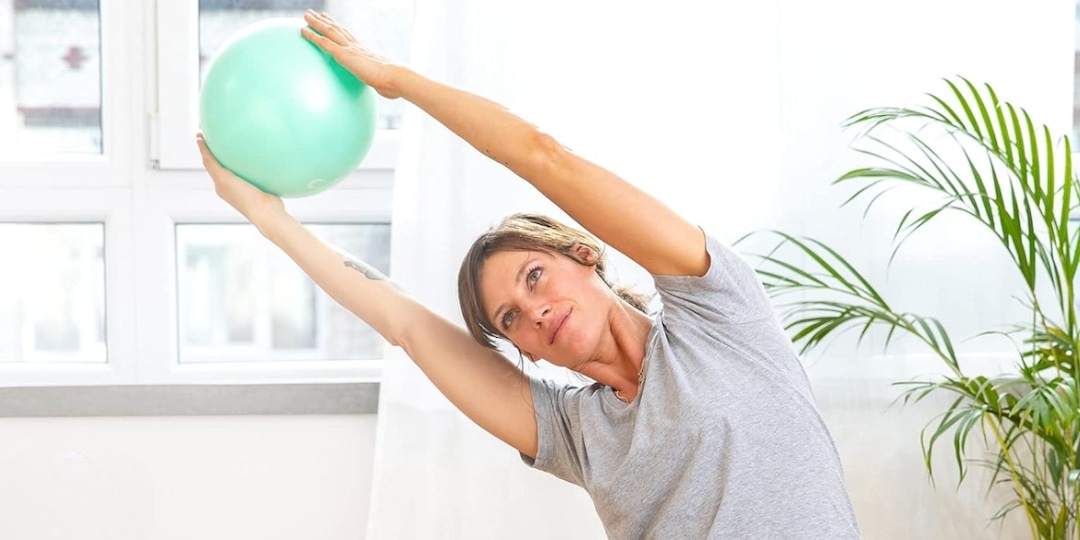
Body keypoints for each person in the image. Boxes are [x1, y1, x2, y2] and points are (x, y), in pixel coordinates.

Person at [196, 9, 862, 539]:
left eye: (535, 277)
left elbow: (545, 157)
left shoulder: (719, 316)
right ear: (524, 350)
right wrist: (268, 219)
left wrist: (395, 81)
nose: (532, 310)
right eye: (510, 318)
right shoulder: (575, 434)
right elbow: (402, 321)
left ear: (584, 253)